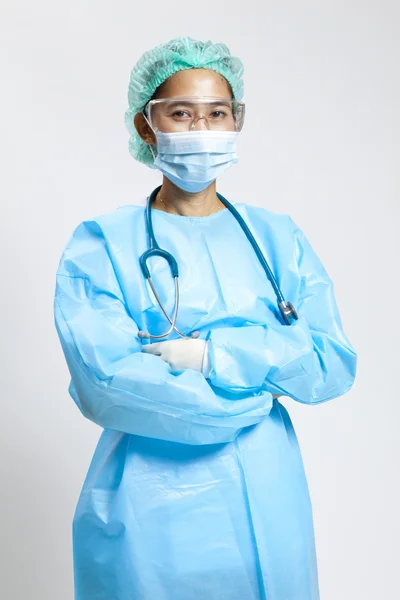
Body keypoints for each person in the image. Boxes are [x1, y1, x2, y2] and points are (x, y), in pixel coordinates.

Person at [53, 37, 357, 600]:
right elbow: (106, 382)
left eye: (217, 113)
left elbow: (331, 362)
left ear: (236, 121)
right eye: (182, 113)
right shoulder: (101, 244)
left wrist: (215, 358)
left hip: (268, 492)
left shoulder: (276, 238)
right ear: (148, 127)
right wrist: (254, 388)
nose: (201, 128)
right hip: (149, 500)